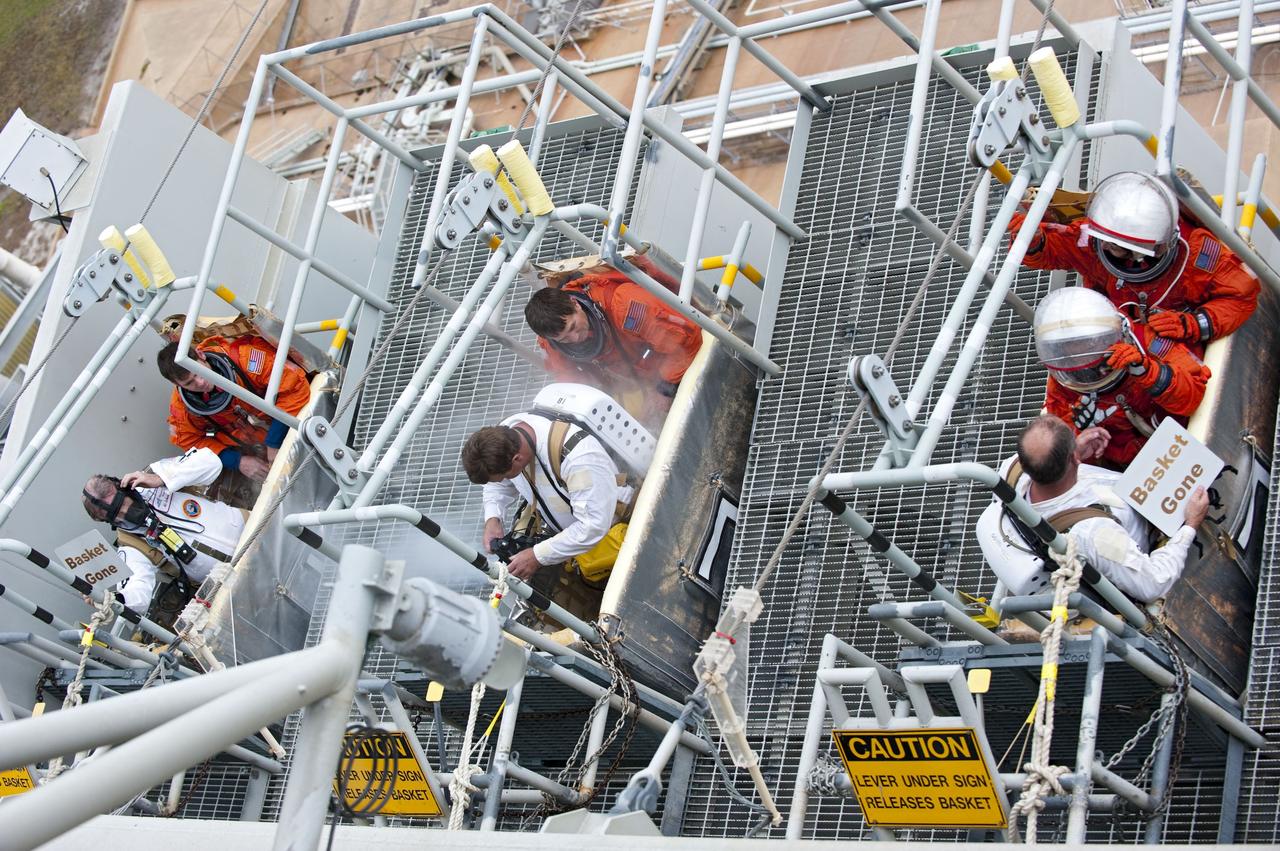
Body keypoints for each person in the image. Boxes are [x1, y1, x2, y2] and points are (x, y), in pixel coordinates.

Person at [1010, 171, 1259, 345]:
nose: (1103, 245)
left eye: (1114, 245)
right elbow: (1055, 250)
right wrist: (1033, 241)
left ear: (1142, 250)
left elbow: (1241, 296)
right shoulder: (1094, 241)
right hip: (1122, 334)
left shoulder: (1196, 255)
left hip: (1172, 341)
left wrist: (1192, 324)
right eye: (1103, 238)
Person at [977, 416, 1208, 603]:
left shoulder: (1011, 470)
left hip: (1121, 488)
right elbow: (1153, 584)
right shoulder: (1092, 533)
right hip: (1153, 528)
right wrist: (1189, 526)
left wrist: (1075, 449)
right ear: (1073, 459)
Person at [1035, 287, 1210, 468]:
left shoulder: (1149, 342)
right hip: (1131, 468)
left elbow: (1194, 397)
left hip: (1188, 440)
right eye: (1068, 346)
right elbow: (1069, 459)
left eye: (1086, 342)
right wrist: (1083, 435)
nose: (1080, 354)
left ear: (1107, 334)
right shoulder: (1064, 385)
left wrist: (1148, 372)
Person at [461, 408, 635, 582]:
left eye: (506, 476)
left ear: (517, 459)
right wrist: (493, 518)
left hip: (619, 532)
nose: (504, 481)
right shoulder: (507, 437)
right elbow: (497, 486)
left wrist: (537, 556)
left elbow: (593, 526)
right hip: (578, 542)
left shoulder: (575, 457)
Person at [524, 259, 703, 420]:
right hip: (637, 382)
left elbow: (686, 342)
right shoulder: (553, 345)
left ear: (575, 304)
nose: (576, 338)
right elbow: (571, 383)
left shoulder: (624, 305)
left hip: (677, 366)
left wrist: (664, 389)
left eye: (573, 327)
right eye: (565, 339)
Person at [80, 448, 246, 613]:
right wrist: (112, 599)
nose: (125, 512)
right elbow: (138, 595)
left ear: (122, 487)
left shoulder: (154, 475)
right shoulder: (130, 544)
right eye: (116, 515)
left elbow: (212, 462)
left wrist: (162, 479)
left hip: (250, 527)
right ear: (106, 520)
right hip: (231, 578)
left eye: (122, 502)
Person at [157, 336, 311, 482]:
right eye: (190, 383)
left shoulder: (245, 359)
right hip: (255, 447)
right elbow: (189, 440)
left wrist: (274, 442)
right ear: (177, 385)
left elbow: (295, 387)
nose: (201, 382)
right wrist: (238, 461)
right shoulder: (183, 408)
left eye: (197, 372)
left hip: (292, 422)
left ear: (201, 355)